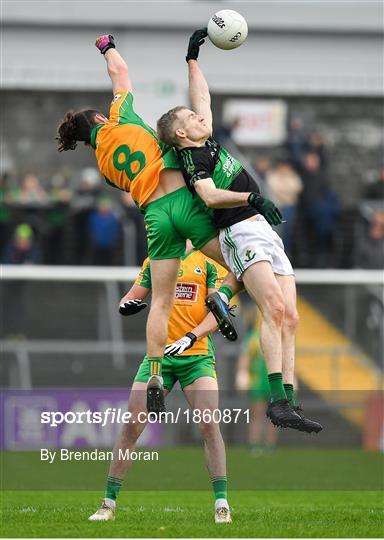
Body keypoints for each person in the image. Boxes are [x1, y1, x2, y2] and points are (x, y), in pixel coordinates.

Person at [57, 34, 245, 414]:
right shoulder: (118, 117)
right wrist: (106, 46)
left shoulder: (105, 166)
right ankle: (222, 298)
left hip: (155, 218)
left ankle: (155, 374)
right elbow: (120, 72)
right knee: (240, 265)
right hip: (182, 200)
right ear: (99, 118)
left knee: (160, 301)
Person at [156, 29, 322, 433]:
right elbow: (210, 197)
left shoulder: (206, 138)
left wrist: (192, 59)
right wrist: (252, 199)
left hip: (262, 229)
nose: (198, 117)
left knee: (293, 317)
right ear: (181, 133)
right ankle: (277, 403)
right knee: (274, 310)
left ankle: (289, 400)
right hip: (239, 231)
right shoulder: (192, 158)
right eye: (189, 118)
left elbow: (204, 99)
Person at [89, 241, 232, 524]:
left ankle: (222, 504)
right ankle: (108, 504)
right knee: (131, 425)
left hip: (196, 356)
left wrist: (190, 337)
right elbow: (132, 295)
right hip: (158, 357)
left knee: (208, 423)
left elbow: (218, 312)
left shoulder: (208, 261)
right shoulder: (155, 259)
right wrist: (126, 305)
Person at [236, 314, 279, 456]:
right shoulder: (254, 338)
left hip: (275, 382)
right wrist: (242, 374)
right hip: (259, 382)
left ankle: (270, 445)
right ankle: (254, 445)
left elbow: (287, 358)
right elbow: (246, 358)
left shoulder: (279, 336)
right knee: (257, 414)